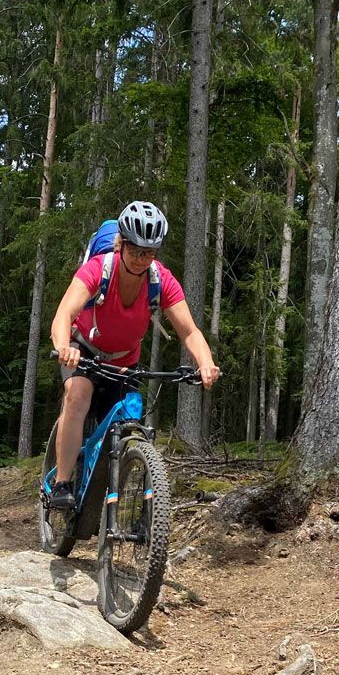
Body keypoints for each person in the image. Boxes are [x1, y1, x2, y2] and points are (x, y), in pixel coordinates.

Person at [47, 201, 220, 510]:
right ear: (121, 244)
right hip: (83, 349)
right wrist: (63, 347)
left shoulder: (161, 281)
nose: (142, 259)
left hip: (125, 361)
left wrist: (205, 363)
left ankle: (127, 500)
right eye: (136, 251)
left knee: (131, 420)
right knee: (78, 395)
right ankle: (61, 483)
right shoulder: (99, 269)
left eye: (150, 252)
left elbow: (190, 331)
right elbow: (65, 312)